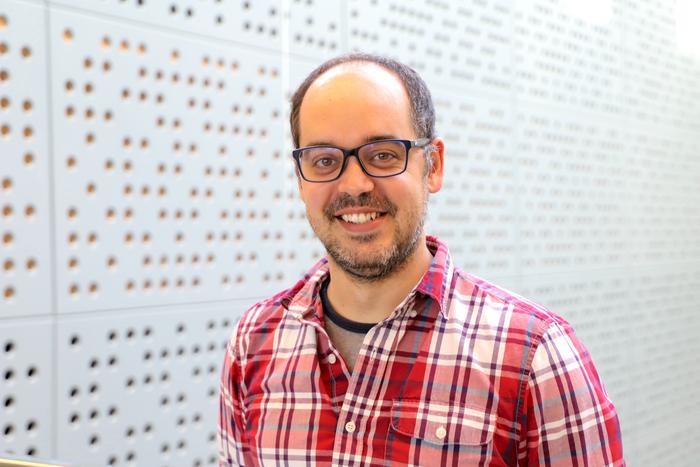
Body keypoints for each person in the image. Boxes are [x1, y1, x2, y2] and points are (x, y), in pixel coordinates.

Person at [218, 53, 624, 466]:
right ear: (302, 180)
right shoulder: (253, 343)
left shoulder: (536, 357)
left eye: (383, 155)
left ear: (433, 166)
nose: (355, 185)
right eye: (324, 161)